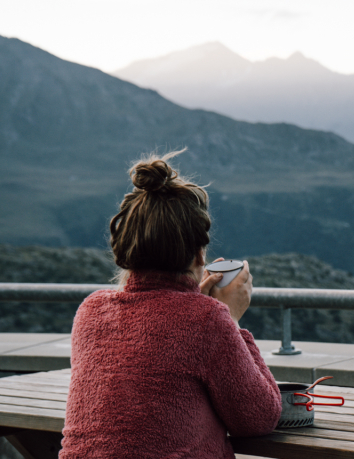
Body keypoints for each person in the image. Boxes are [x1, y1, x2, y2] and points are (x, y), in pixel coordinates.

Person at [59, 150, 282, 458]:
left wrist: (202, 311)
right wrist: (230, 320)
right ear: (199, 255)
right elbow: (259, 418)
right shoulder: (207, 320)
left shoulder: (91, 311)